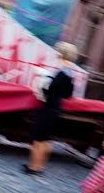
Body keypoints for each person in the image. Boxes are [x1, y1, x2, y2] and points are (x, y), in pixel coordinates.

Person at [24, 41, 78, 174]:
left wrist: (43, 82)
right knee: (46, 139)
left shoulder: (61, 72)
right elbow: (68, 94)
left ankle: (34, 166)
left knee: (38, 138)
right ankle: (40, 166)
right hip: (56, 107)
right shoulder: (70, 73)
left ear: (61, 54)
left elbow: (50, 88)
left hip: (48, 107)